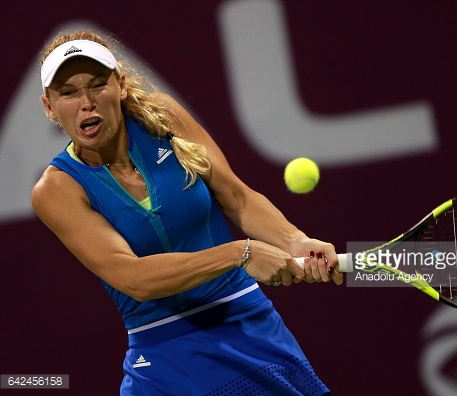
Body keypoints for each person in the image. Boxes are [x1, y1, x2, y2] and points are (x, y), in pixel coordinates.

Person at [32, 30, 342, 395]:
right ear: (50, 107)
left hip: (249, 325)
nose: (87, 102)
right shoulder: (56, 191)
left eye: (98, 85)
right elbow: (135, 279)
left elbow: (236, 196)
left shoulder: (162, 117)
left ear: (121, 85)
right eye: (68, 92)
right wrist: (240, 254)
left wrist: (296, 241)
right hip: (165, 356)